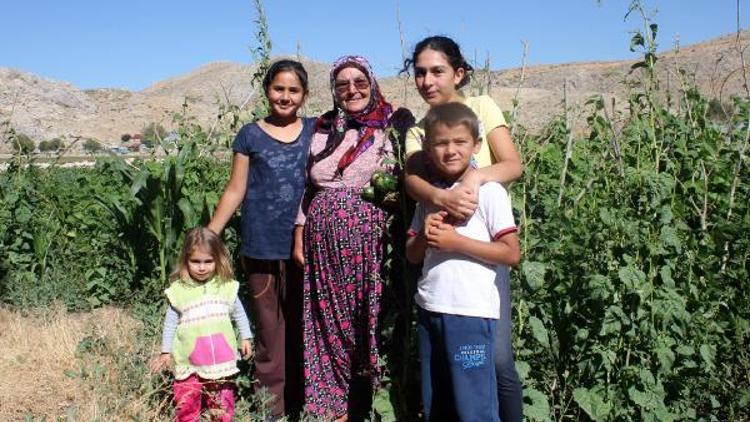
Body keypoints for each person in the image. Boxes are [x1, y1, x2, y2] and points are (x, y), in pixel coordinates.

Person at [402, 35, 525, 421]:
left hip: (485, 248)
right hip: (441, 262)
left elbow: (513, 165)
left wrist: (475, 181)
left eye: (437, 71)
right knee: (445, 369)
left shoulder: (482, 107)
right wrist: (443, 201)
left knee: (499, 360)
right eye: (420, 72)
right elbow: (414, 182)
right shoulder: (419, 131)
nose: (427, 81)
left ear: (459, 73)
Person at [293, 55, 413, 421]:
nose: (352, 90)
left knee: (372, 319)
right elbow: (307, 189)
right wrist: (299, 233)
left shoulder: (393, 125)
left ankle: (379, 406)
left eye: (359, 81)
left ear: (372, 83)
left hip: (373, 243)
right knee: (328, 322)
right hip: (323, 245)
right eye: (342, 84)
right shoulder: (322, 129)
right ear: (334, 90)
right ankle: (334, 408)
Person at [208, 59, 314, 418]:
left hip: (305, 249)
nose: (285, 97)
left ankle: (307, 406)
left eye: (293, 90)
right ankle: (272, 411)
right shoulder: (250, 135)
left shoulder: (315, 131)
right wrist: (209, 236)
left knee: (304, 330)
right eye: (278, 88)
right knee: (270, 334)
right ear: (267, 90)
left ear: (304, 95)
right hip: (261, 248)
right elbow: (236, 190)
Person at [149, 227, 254, 422]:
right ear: (185, 261)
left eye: (208, 261)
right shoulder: (179, 290)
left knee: (222, 404)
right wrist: (166, 351)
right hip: (189, 362)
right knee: (187, 401)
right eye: (195, 261)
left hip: (220, 361)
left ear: (218, 260)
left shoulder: (225, 286)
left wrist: (246, 336)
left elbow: (239, 312)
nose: (202, 267)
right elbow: (170, 322)